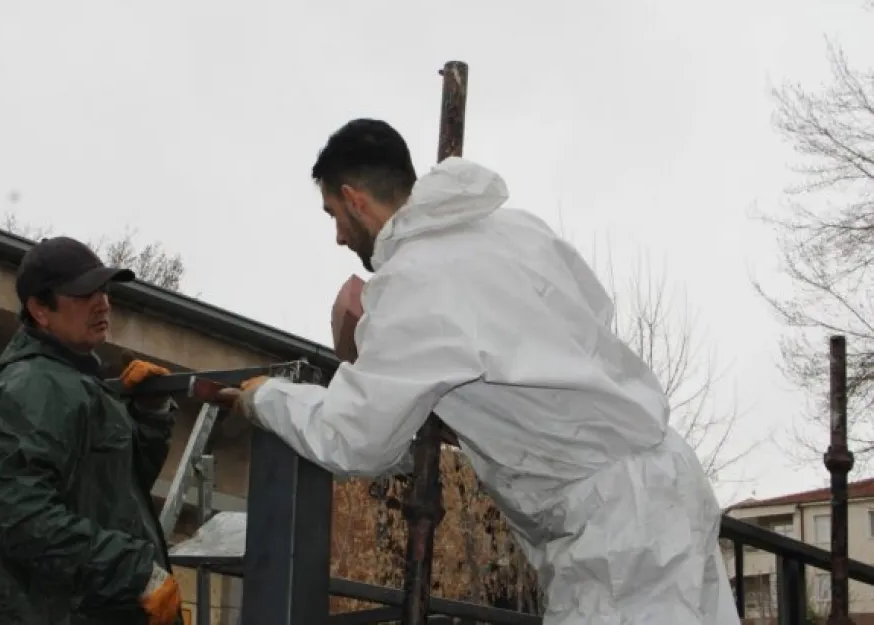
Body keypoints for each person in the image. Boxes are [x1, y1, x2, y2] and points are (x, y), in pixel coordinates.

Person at [221, 119, 741, 625]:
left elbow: (355, 439)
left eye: (333, 213)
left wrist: (264, 398)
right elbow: (588, 322)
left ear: (355, 198)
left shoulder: (412, 283)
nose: (338, 235)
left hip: (614, 530)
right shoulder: (516, 230)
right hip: (669, 480)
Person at [0, 236, 184, 625]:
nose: (103, 302)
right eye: (83, 293)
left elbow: (112, 494)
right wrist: (135, 571)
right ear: (40, 310)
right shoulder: (34, 386)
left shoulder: (70, 380)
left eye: (103, 290)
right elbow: (23, 520)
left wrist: (149, 412)